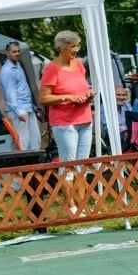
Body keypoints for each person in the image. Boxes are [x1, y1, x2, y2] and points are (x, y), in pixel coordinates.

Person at [39, 30, 95, 215]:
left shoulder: (78, 64)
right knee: (68, 163)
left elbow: (83, 85)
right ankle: (72, 207)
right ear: (61, 47)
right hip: (64, 122)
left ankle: (82, 205)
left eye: (78, 46)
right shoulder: (52, 68)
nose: (76, 50)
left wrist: (88, 94)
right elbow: (44, 98)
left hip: (84, 119)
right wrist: (66, 97)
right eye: (73, 46)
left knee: (82, 163)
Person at [0, 41, 42, 151]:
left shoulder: (18, 65)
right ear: (7, 53)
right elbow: (10, 94)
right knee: (23, 141)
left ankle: (34, 166)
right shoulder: (6, 71)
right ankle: (23, 166)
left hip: (28, 107)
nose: (17, 53)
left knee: (36, 140)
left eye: (18, 51)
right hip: (19, 110)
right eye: (14, 52)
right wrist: (19, 112)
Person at [100, 85, 132, 151]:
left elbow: (133, 119)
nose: (122, 97)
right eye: (118, 95)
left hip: (127, 134)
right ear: (111, 96)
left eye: (124, 95)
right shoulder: (104, 107)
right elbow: (106, 127)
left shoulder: (127, 105)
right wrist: (124, 129)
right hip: (112, 135)